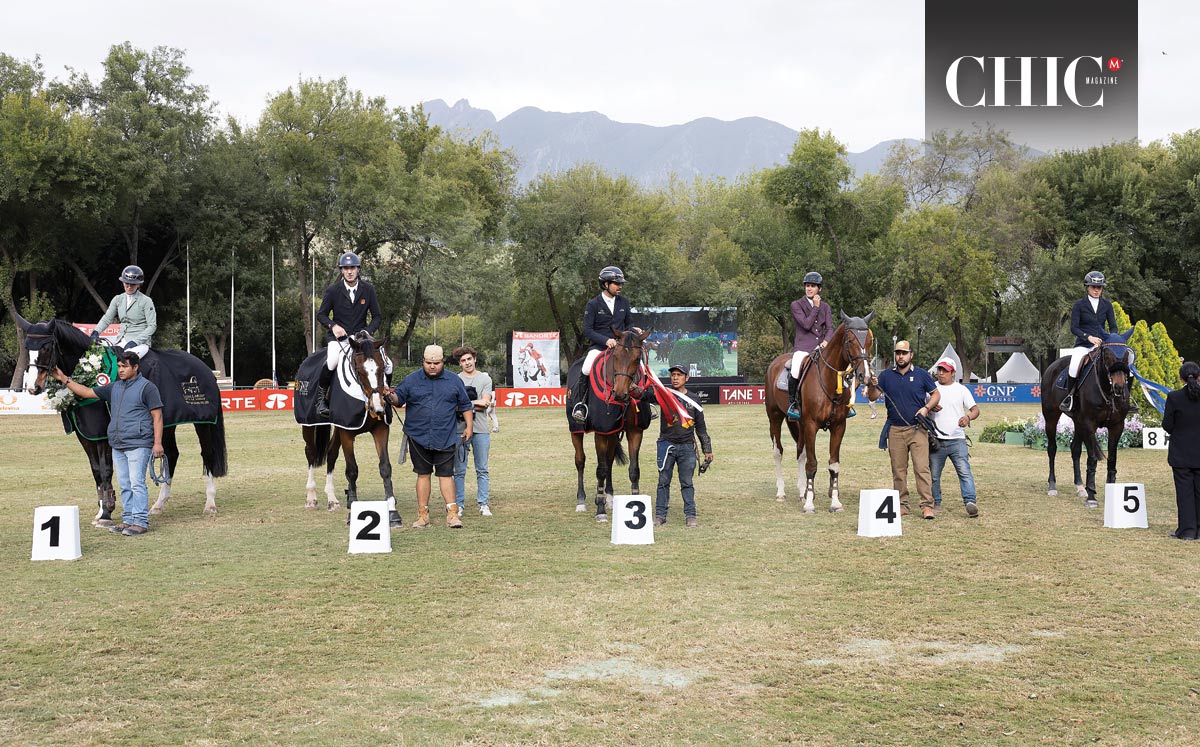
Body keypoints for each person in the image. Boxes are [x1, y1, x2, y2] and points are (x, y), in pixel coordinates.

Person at [52, 351, 163, 536]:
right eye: (119, 366)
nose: (120, 370)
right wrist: (63, 378)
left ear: (135, 367)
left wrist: (157, 443)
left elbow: (157, 415)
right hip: (118, 445)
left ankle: (140, 522)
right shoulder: (114, 387)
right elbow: (86, 392)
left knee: (137, 484)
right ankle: (128, 520)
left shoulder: (147, 388)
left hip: (139, 443)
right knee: (125, 484)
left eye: (125, 366)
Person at [387, 345, 472, 529]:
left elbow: (465, 405)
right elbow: (398, 399)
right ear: (423, 362)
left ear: (443, 362)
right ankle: (423, 516)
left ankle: (452, 515)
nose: (432, 366)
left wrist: (469, 428)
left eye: (436, 363)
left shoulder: (454, 380)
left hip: (446, 436)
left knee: (446, 475)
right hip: (418, 437)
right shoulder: (411, 380)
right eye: (428, 363)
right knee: (422, 474)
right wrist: (389, 395)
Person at [870, 340, 941, 520]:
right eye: (898, 353)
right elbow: (873, 396)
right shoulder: (886, 375)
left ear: (911, 355)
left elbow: (936, 394)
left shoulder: (921, 374)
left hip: (917, 429)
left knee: (922, 468)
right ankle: (902, 505)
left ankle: (927, 506)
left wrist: (926, 408)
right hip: (895, 430)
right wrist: (872, 384)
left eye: (904, 353)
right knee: (898, 470)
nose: (900, 356)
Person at [314, 251, 382, 418]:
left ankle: (383, 394)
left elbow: (377, 316)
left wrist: (368, 331)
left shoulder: (368, 289)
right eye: (346, 268)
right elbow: (321, 314)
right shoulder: (333, 290)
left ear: (358, 269)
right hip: (339, 338)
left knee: (384, 363)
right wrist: (333, 325)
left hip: (361, 339)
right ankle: (321, 400)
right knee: (332, 361)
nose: (349, 271)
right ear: (342, 270)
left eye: (352, 268)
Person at [651, 365, 713, 527]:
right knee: (663, 482)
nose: (675, 378)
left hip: (687, 447)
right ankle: (660, 515)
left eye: (679, 375)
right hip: (666, 445)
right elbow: (642, 395)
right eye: (673, 375)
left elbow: (701, 426)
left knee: (687, 483)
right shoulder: (664, 394)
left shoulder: (694, 399)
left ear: (687, 378)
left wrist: (707, 449)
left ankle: (690, 516)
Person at [570, 265, 632, 423]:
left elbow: (628, 325)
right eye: (616, 283)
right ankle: (581, 405)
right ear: (605, 284)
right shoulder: (593, 304)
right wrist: (605, 340)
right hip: (599, 347)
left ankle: (645, 403)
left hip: (621, 348)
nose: (620, 286)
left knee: (639, 364)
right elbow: (587, 330)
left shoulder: (624, 302)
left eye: (620, 284)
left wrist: (634, 330)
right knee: (586, 367)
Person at [1062, 271, 1130, 413]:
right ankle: (1070, 398)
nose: (1097, 289)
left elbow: (1113, 326)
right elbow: (1074, 328)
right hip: (1084, 344)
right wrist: (1088, 337)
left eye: (1099, 287)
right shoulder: (1079, 305)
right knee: (1074, 366)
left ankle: (1126, 398)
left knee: (1124, 365)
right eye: (1094, 287)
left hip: (1104, 344)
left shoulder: (1107, 305)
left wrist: (1113, 338)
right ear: (1087, 287)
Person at [929, 358, 981, 517]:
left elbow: (975, 409)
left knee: (964, 472)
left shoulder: (961, 390)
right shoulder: (931, 389)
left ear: (953, 373)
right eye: (939, 369)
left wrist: (968, 418)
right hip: (936, 440)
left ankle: (970, 502)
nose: (941, 373)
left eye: (945, 370)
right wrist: (931, 405)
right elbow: (921, 406)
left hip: (957, 439)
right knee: (934, 475)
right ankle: (935, 502)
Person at [452, 345, 493, 517]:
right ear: (459, 363)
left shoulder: (485, 379)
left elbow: (486, 403)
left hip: (481, 428)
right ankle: (459, 505)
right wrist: (475, 403)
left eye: (469, 359)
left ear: (475, 359)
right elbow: (452, 405)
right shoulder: (455, 380)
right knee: (459, 469)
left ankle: (483, 504)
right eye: (463, 360)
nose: (467, 363)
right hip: (459, 429)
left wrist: (465, 404)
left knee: (482, 468)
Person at [787, 271, 833, 420]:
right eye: (807, 286)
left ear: (819, 288)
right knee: (795, 369)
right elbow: (806, 325)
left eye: (812, 286)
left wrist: (826, 341)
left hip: (821, 347)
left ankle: (844, 403)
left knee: (837, 367)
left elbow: (830, 328)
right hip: (803, 348)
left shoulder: (826, 307)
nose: (809, 288)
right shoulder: (796, 305)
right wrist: (816, 307)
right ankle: (793, 403)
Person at [1163, 361, 1200, 541]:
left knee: (1184, 493)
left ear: (1181, 378)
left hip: (1181, 453)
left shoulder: (1174, 397)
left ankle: (1187, 531)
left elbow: (1167, 425)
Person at [92, 265, 156, 359]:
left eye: (133, 284)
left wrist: (136, 341)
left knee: (127, 360)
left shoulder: (146, 301)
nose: (129, 287)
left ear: (138, 284)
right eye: (127, 283)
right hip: (121, 339)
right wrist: (96, 331)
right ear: (123, 282)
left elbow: (152, 326)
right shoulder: (118, 299)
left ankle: (139, 375)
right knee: (102, 354)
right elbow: (107, 318)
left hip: (140, 342)